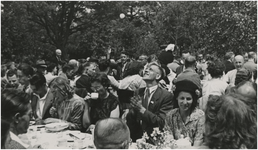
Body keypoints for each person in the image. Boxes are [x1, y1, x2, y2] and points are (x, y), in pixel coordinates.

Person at [126, 62, 173, 142]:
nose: (146, 71)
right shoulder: (138, 92)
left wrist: (141, 109)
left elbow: (161, 122)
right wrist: (130, 112)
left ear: (158, 76)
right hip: (137, 138)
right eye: (146, 69)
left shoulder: (165, 96)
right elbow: (134, 118)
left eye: (150, 70)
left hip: (155, 139)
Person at [164, 78, 205, 146]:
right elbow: (168, 139)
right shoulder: (170, 115)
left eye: (188, 99)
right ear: (177, 98)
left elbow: (198, 140)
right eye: (182, 98)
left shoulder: (200, 116)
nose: (185, 102)